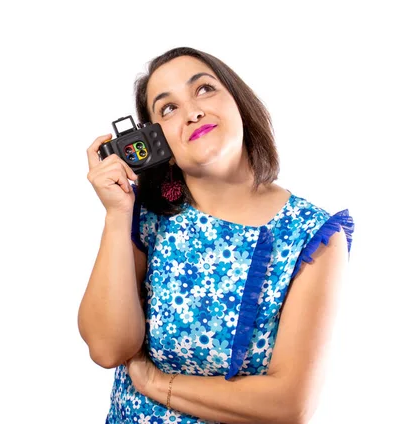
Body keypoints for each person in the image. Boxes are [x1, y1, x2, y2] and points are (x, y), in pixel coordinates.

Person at [78, 46, 354, 424]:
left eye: (204, 89)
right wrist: (117, 213)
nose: (192, 112)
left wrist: (157, 384)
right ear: (159, 144)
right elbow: (108, 348)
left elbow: (290, 404)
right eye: (168, 109)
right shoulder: (148, 215)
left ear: (238, 103)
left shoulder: (312, 234)